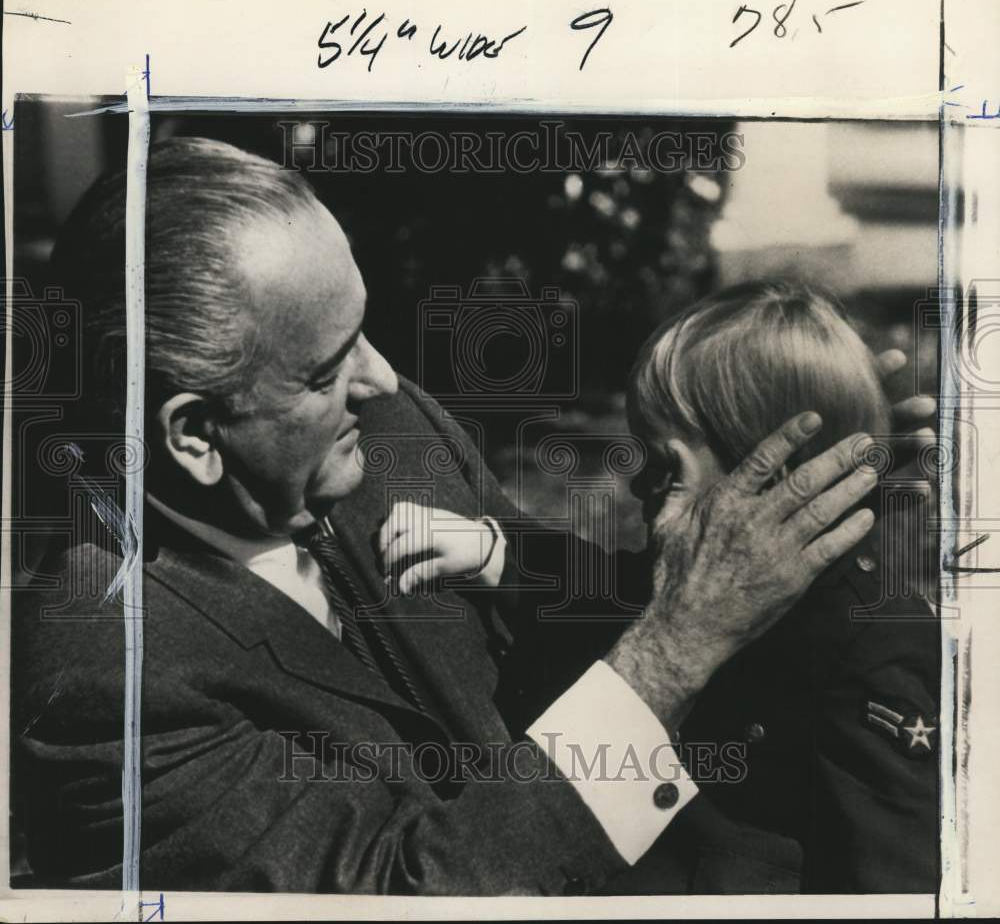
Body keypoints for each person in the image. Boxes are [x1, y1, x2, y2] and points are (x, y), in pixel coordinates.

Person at [11, 138, 921, 895]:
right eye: (327, 372)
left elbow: (576, 630)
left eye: (364, 331)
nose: (383, 380)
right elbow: (412, 898)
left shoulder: (382, 432)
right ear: (196, 437)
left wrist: (799, 508)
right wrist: (675, 649)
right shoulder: (110, 688)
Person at [404, 281, 937, 894]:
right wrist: (502, 552)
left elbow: (896, 876)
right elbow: (609, 588)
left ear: (771, 481)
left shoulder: (873, 639)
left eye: (665, 470)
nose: (638, 489)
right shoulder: (693, 584)